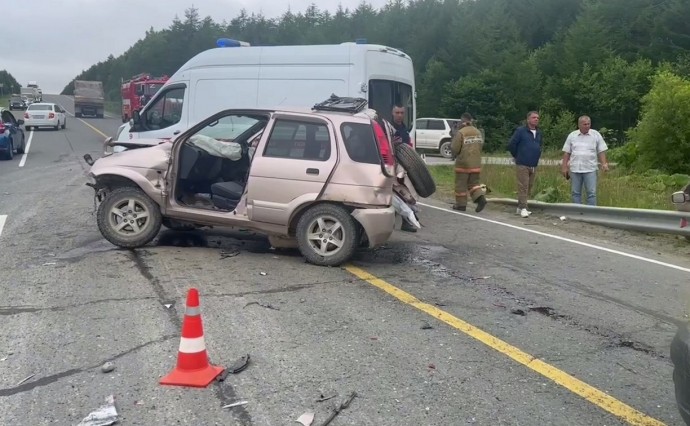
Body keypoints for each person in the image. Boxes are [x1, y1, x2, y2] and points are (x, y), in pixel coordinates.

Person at [561, 115, 609, 206]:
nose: (587, 126)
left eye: (588, 124)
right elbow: (567, 153)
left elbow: (601, 150)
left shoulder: (595, 135)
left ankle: (591, 213)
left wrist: (604, 163)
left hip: (590, 168)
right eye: (584, 124)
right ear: (579, 125)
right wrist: (564, 167)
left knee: (591, 193)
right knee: (575, 193)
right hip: (575, 168)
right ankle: (577, 212)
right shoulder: (572, 135)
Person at [507, 111, 543, 218]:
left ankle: (520, 206)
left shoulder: (539, 133)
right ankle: (524, 207)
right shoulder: (521, 131)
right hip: (522, 163)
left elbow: (539, 146)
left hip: (533, 163)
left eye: (537, 118)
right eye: (533, 117)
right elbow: (511, 145)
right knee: (523, 186)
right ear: (528, 119)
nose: (536, 119)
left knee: (529, 186)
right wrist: (517, 156)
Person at [450, 112, 487, 212]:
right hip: (476, 163)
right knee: (474, 184)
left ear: (463, 121)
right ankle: (481, 199)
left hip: (463, 164)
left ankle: (461, 205)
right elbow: (481, 146)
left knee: (460, 185)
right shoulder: (478, 132)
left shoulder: (461, 132)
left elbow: (454, 148)